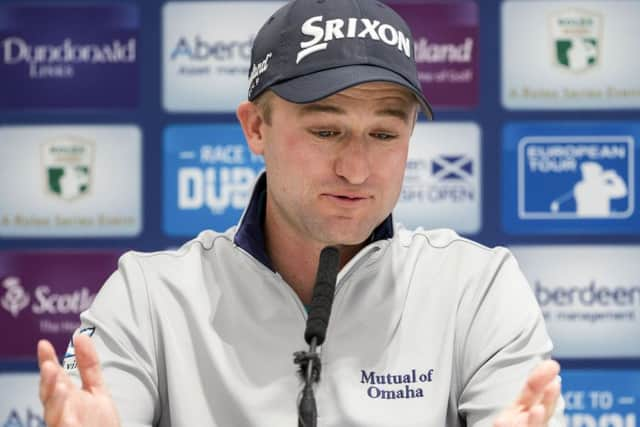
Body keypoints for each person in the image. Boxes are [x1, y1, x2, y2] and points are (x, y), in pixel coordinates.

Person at [37, 0, 565, 425]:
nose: (356, 170)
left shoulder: (476, 288)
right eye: (325, 131)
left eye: (384, 134)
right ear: (256, 128)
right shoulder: (149, 298)